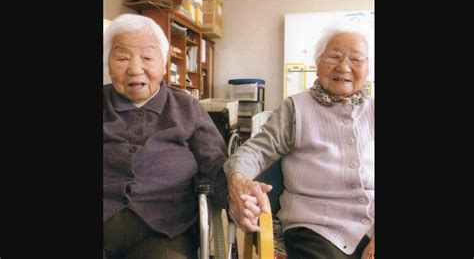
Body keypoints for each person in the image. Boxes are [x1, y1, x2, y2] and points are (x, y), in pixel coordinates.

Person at [225, 23, 374, 259]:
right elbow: (254, 151)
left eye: (356, 59)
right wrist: (238, 180)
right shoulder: (296, 108)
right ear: (317, 63)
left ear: (367, 69)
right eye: (334, 56)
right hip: (315, 227)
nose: (344, 66)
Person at [103, 14, 228, 259]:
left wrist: (236, 197)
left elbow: (216, 164)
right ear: (108, 62)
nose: (135, 69)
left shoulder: (186, 107)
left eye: (147, 57)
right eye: (122, 58)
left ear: (163, 61)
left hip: (166, 230)